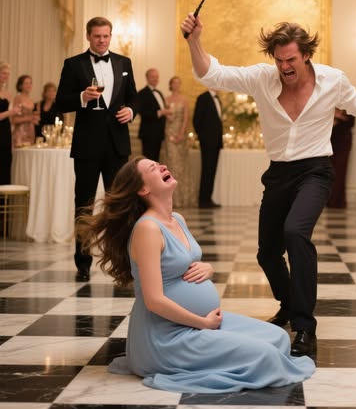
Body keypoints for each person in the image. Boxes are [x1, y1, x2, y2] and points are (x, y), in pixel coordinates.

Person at [180, 14, 356, 356]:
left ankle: (305, 327)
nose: (284, 67)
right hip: (278, 174)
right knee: (267, 253)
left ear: (306, 55)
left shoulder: (332, 80)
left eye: (290, 60)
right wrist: (194, 41)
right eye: (279, 60)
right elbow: (211, 73)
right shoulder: (262, 78)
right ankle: (289, 304)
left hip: (315, 171)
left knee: (296, 233)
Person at [76, 156, 316, 393]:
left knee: (278, 338)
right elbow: (153, 300)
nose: (162, 166)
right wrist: (204, 323)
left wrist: (208, 268)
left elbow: (182, 262)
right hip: (166, 337)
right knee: (266, 356)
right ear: (143, 189)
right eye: (153, 168)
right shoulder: (147, 228)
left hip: (199, 324)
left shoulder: (177, 219)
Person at [56, 16, 137, 282]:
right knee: (84, 204)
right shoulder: (73, 64)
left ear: (110, 36)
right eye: (97, 36)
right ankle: (82, 262)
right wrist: (82, 97)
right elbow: (61, 102)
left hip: (117, 146)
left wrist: (131, 111)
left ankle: (122, 262)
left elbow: (133, 98)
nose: (102, 40)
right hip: (87, 146)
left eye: (105, 36)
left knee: (120, 205)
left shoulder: (124, 63)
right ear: (88, 36)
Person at [164, 76, 195, 207]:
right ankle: (172, 199)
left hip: (181, 134)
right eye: (174, 83)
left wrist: (182, 133)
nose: (176, 85)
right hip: (169, 133)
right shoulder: (166, 99)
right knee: (172, 163)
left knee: (182, 165)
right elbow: (165, 117)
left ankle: (183, 198)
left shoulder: (184, 99)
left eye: (178, 83)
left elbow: (186, 118)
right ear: (171, 85)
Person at [193, 88, 223, 209]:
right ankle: (203, 200)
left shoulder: (217, 99)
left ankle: (207, 198)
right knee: (207, 170)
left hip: (216, 141)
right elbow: (196, 120)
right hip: (207, 142)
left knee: (211, 171)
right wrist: (203, 138)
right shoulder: (203, 98)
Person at [136, 68, 170, 161]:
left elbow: (162, 109)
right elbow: (141, 112)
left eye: (157, 77)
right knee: (148, 160)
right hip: (148, 133)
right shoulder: (141, 93)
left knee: (156, 159)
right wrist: (160, 112)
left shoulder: (159, 92)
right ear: (147, 78)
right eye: (153, 77)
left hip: (159, 132)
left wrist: (166, 113)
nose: (155, 79)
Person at [326, 108, 355, 209]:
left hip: (343, 142)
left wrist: (337, 117)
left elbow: (351, 123)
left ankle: (338, 201)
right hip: (329, 141)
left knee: (340, 172)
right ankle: (330, 200)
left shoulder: (348, 105)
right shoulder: (329, 104)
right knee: (330, 172)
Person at [0, 62, 21, 184]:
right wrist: (11, 112)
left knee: (6, 161)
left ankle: (5, 194)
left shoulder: (7, 93)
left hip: (5, 131)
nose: (6, 76)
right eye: (4, 73)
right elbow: (8, 113)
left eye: (8, 74)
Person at [11, 74, 38, 147]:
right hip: (21, 132)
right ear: (20, 86)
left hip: (31, 131)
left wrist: (34, 119)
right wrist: (28, 118)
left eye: (30, 83)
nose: (29, 85)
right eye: (26, 83)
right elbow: (13, 119)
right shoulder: (18, 98)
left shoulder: (31, 100)